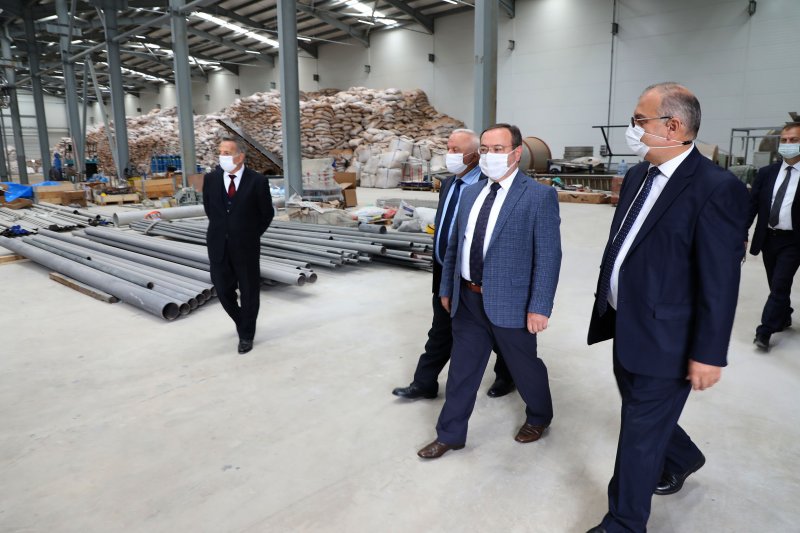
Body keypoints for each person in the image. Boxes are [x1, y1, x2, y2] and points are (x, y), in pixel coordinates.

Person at [585, 83, 749, 533]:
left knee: (638, 436)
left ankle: (623, 523)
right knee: (642, 411)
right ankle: (683, 456)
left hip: (668, 338)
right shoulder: (639, 175)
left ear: (673, 126)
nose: (632, 129)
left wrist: (709, 353)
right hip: (626, 322)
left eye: (639, 120)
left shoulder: (716, 189)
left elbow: (720, 282)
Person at [417, 123, 562, 459]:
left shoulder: (538, 197)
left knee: (524, 367)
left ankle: (540, 415)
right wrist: (447, 287)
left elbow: (549, 256)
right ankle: (450, 434)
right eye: (484, 149)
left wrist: (540, 306)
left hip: (512, 302)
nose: (489, 156)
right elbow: (456, 246)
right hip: (467, 299)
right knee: (462, 370)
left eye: (498, 149)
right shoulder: (470, 193)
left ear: (516, 153)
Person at [392, 129, 514, 401]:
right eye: (448, 149)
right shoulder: (448, 184)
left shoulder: (487, 185)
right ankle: (424, 382)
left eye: (456, 150)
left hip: (473, 275)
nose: (450, 155)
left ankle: (507, 375)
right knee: (441, 329)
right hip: (444, 271)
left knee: (495, 330)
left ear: (474, 155)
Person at [203, 137, 274, 354]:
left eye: (227, 153)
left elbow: (266, 213)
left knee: (249, 291)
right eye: (220, 152)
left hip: (246, 246)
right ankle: (243, 321)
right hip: (218, 244)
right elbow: (210, 209)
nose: (222, 156)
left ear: (240, 156)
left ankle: (246, 335)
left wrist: (250, 234)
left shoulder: (257, 181)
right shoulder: (210, 179)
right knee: (222, 289)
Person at [747, 122, 800, 351]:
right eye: (784, 140)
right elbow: (752, 205)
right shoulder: (766, 173)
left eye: (794, 140)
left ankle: (764, 331)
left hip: (794, 241)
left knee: (780, 284)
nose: (788, 144)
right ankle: (784, 315)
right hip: (768, 238)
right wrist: (742, 232)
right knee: (775, 284)